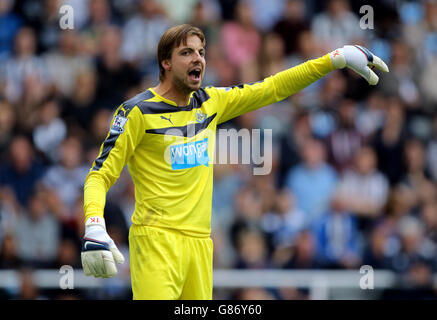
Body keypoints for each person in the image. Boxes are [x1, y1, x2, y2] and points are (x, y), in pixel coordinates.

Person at [81, 24, 388, 300]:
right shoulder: (136, 112)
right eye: (186, 52)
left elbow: (273, 87)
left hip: (201, 244)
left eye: (201, 52)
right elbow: (99, 175)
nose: (198, 59)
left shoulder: (211, 101)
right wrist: (95, 224)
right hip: (156, 242)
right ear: (166, 62)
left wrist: (335, 58)